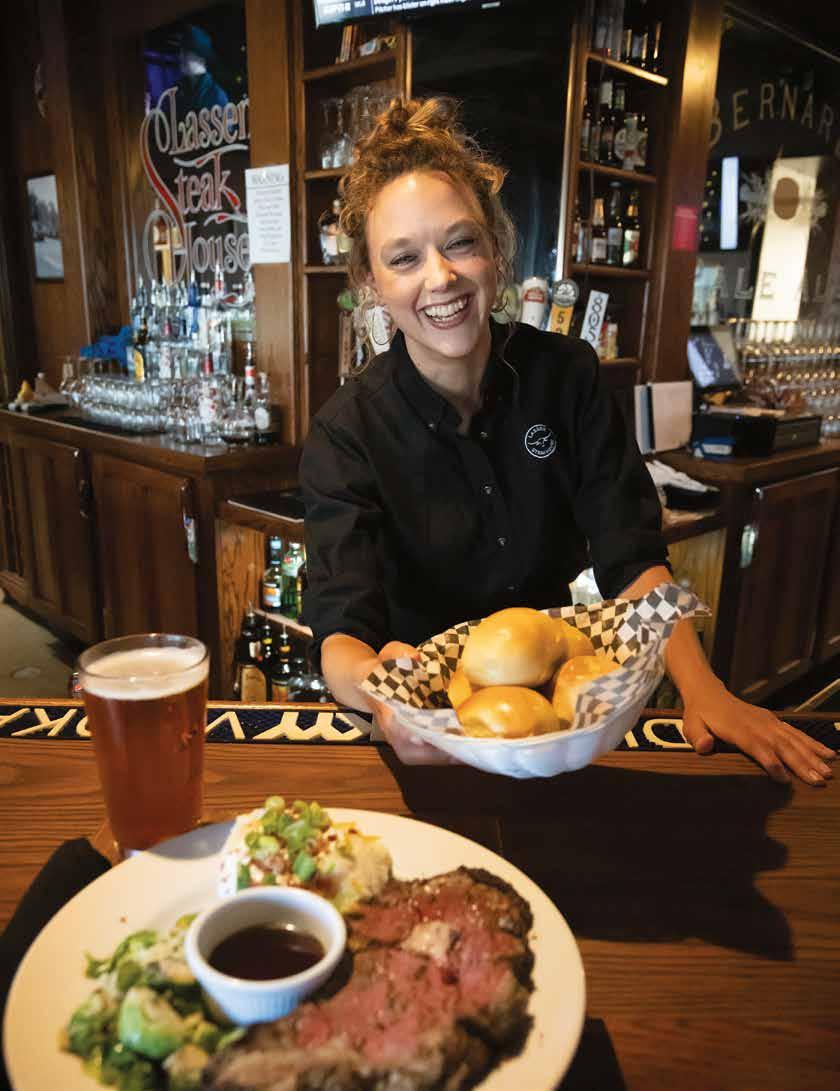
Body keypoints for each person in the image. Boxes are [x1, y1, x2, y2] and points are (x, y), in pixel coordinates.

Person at [299, 97, 835, 787]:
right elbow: (341, 630)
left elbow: (630, 555)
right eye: (404, 258)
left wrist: (704, 689)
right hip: (424, 729)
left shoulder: (567, 375)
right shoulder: (346, 431)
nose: (440, 277)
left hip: (559, 722)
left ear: (496, 247)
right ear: (371, 284)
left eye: (460, 242)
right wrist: (385, 693)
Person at [174, 23, 228, 117]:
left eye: (186, 53)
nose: (180, 57)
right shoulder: (179, 92)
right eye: (180, 52)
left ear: (201, 58)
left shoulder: (217, 95)